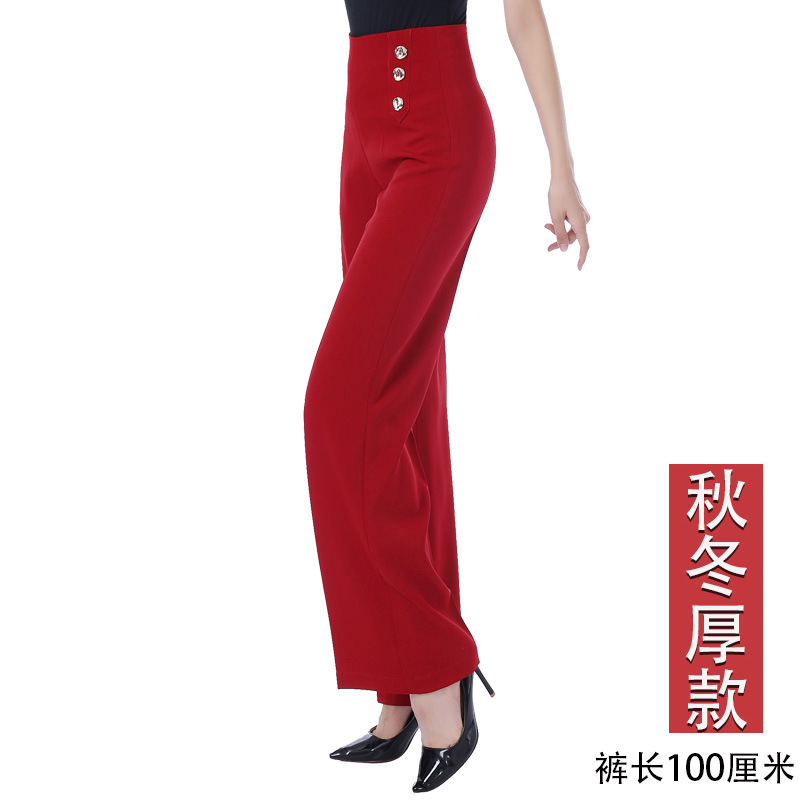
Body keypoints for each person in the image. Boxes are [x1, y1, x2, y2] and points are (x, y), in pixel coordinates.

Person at [303, 0, 590, 791]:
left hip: (439, 133)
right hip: (363, 129)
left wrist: (561, 169)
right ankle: (399, 688)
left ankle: (438, 670)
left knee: (340, 409)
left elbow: (523, 16)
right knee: (401, 405)